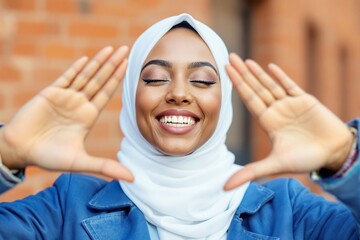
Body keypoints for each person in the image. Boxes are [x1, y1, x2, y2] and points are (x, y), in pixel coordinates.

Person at [0, 13, 359, 239]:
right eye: (156, 78)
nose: (179, 94)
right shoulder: (67, 207)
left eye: (202, 81)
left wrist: (346, 157)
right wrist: (6, 154)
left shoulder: (290, 211)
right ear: (130, 95)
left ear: (225, 99)